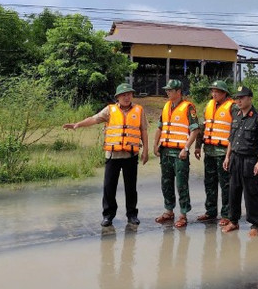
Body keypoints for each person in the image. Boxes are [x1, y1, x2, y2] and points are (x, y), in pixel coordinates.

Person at [63, 82, 148, 227]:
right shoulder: (110, 110)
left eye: (129, 94)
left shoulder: (139, 110)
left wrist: (145, 150)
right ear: (118, 97)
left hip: (130, 156)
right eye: (123, 95)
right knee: (109, 187)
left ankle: (132, 215)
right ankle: (108, 215)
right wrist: (78, 124)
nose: (127, 97)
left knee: (131, 188)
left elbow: (144, 130)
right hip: (112, 156)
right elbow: (94, 119)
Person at [222, 86, 258, 237]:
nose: (238, 101)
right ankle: (233, 221)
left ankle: (254, 224)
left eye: (241, 98)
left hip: (249, 159)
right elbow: (231, 138)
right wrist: (227, 156)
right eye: (237, 98)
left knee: (251, 193)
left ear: (250, 98)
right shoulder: (235, 115)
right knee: (233, 191)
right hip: (235, 158)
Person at [153, 79, 200, 228]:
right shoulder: (166, 106)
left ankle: (183, 215)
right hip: (165, 151)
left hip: (180, 152)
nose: (167, 92)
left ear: (178, 92)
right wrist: (155, 145)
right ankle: (168, 211)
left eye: (170, 90)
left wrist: (186, 148)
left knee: (181, 184)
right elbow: (160, 127)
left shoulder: (188, 107)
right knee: (166, 182)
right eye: (167, 90)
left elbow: (195, 130)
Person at [194, 80, 234, 224]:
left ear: (224, 93)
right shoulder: (209, 105)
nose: (214, 94)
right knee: (209, 182)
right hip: (209, 151)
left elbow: (235, 131)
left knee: (226, 184)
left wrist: (230, 154)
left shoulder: (232, 107)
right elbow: (203, 126)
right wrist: (198, 145)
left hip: (223, 152)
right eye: (213, 91)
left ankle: (226, 214)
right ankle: (210, 212)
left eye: (217, 91)